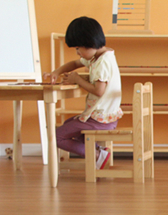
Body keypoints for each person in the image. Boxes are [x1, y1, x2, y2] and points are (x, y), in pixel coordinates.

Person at [43, 17, 122, 170]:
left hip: (100, 119)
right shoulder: (99, 57)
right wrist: (56, 72)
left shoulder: (102, 63)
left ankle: (97, 155)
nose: (78, 53)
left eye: (78, 48)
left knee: (56, 136)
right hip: (104, 116)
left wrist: (77, 79)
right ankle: (98, 153)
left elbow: (99, 91)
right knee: (69, 124)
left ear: (90, 43)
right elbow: (74, 64)